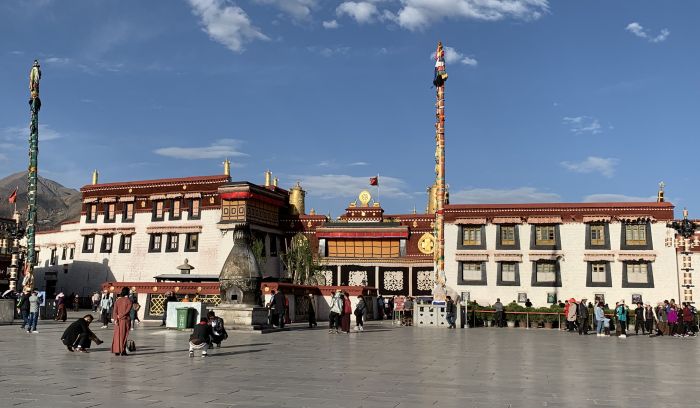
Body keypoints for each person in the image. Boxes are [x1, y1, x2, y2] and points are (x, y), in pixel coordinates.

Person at [111, 287, 133, 356]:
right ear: (128, 292)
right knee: (124, 335)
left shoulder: (117, 300)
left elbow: (114, 311)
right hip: (125, 320)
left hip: (117, 321)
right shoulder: (129, 301)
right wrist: (120, 316)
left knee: (117, 335)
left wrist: (115, 319)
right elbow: (127, 311)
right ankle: (122, 351)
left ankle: (116, 350)